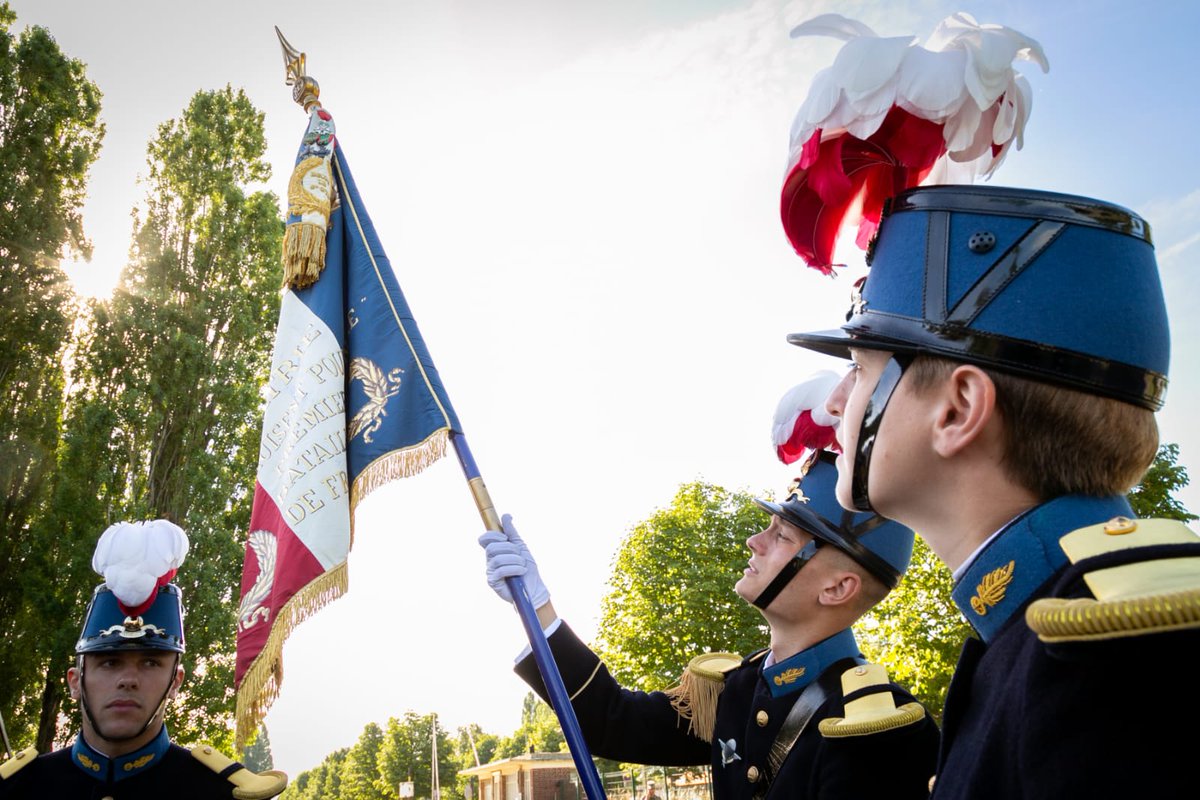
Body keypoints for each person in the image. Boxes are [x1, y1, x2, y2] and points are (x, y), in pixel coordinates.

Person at [787, 184, 1200, 798]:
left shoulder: (1116, 659)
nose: (834, 402)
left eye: (863, 369)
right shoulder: (1044, 635)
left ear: (957, 410)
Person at [480, 396, 939, 799]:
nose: (754, 542)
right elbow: (612, 722)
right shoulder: (736, 690)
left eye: (781, 536)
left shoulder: (881, 730)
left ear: (837, 587)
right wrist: (538, 605)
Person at [0, 520, 287, 799]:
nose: (128, 680)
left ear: (176, 682)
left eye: (150, 662)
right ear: (75, 682)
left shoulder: (222, 793)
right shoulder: (18, 788)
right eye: (109, 662)